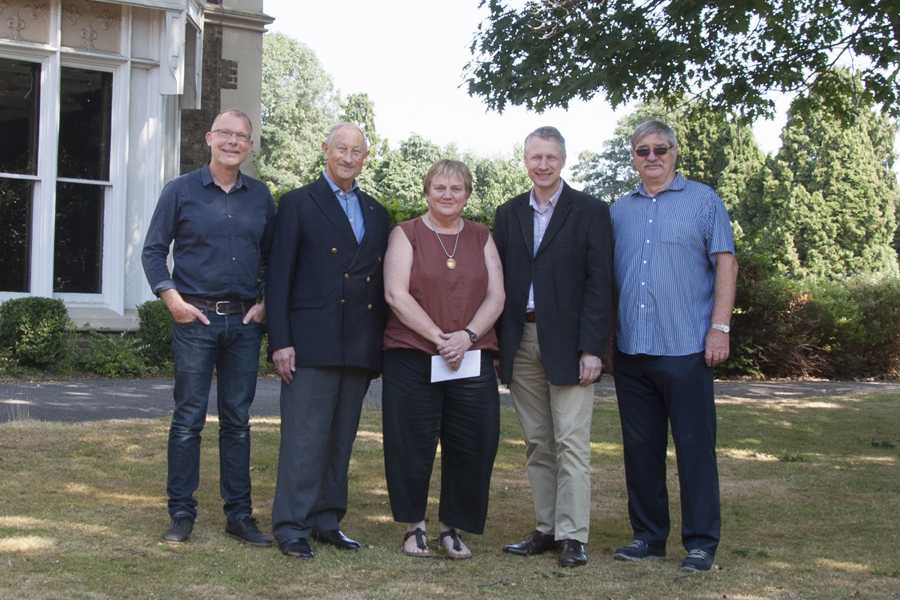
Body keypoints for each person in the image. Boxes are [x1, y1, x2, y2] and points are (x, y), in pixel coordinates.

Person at [142, 109, 275, 546]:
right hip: (194, 319)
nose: (233, 142)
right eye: (226, 134)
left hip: (243, 323)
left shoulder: (261, 197)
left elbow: (276, 259)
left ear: (250, 145)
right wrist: (172, 301)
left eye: (242, 136)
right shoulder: (180, 190)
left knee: (238, 422)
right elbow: (153, 252)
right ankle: (181, 513)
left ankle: (239, 516)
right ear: (209, 138)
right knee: (188, 421)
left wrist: (265, 304)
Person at [610, 119, 738, 573]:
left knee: (695, 449)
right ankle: (648, 536)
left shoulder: (704, 201)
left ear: (675, 151)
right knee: (640, 450)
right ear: (633, 157)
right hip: (631, 350)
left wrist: (719, 327)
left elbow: (725, 263)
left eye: (660, 149)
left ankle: (701, 542)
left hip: (686, 347)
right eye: (642, 150)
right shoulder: (618, 210)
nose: (652, 157)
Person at [266, 123, 391, 560]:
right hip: (310, 341)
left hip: (358, 343)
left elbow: (378, 286)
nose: (348, 156)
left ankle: (326, 520)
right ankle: (291, 525)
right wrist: (280, 340)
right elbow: (278, 279)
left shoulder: (377, 212)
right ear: (325, 150)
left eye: (357, 150)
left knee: (341, 438)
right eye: (341, 148)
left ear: (366, 157)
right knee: (304, 439)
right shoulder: (297, 203)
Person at [493, 126, 613, 568]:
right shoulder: (508, 214)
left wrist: (593, 348)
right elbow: (498, 281)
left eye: (550, 157)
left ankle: (574, 535)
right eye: (534, 157)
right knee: (538, 442)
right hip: (520, 340)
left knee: (572, 441)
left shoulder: (590, 211)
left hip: (570, 342)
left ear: (563, 160)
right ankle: (546, 528)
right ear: (524, 160)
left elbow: (600, 285)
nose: (542, 165)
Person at [382, 159, 505, 559]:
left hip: (472, 356)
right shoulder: (406, 234)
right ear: (427, 191)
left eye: (456, 188)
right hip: (413, 353)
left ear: (468, 194)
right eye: (439, 188)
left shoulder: (482, 236)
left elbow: (497, 296)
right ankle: (414, 527)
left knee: (472, 443)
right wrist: (439, 338)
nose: (448, 195)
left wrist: (467, 337)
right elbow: (395, 295)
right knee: (411, 442)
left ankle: (453, 527)